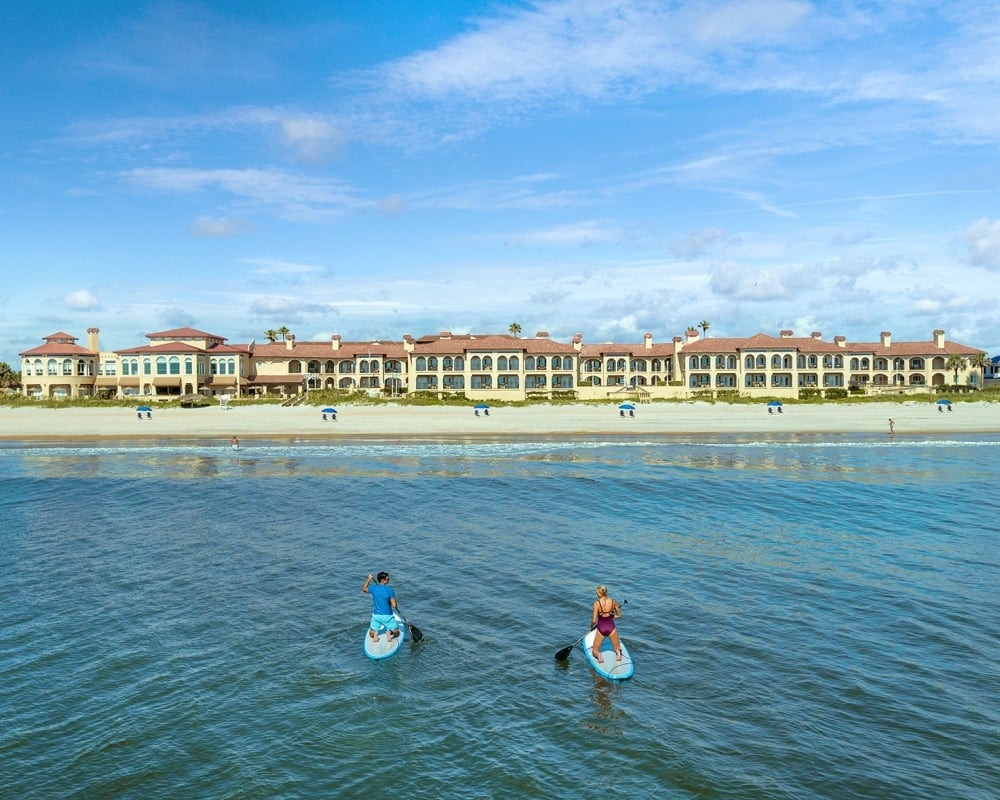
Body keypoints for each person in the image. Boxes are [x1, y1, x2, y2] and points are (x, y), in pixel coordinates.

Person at [363, 571, 400, 643]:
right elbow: (394, 605)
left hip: (376, 617)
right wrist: (391, 601)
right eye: (388, 578)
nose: (389, 580)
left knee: (371, 634)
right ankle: (389, 632)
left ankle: (375, 633)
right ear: (383, 580)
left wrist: (369, 579)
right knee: (397, 633)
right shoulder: (390, 590)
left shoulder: (373, 588)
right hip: (387, 617)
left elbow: (364, 589)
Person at [590, 585, 623, 662]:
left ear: (601, 593)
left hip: (601, 628)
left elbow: (594, 620)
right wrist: (611, 616)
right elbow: (619, 615)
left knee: (594, 651)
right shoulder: (613, 601)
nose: (596, 595)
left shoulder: (596, 604)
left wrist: (591, 627)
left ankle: (599, 655)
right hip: (611, 627)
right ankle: (618, 653)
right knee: (617, 648)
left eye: (597, 593)